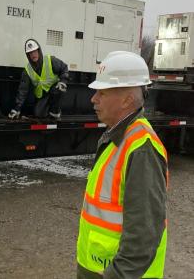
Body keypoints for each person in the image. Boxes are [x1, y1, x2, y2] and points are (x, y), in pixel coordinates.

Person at [77, 51, 168, 279]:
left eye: (102, 93)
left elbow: (144, 234)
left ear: (127, 99)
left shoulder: (141, 148)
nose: (93, 99)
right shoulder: (118, 136)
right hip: (98, 266)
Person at [8, 38, 69, 119]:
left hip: (55, 91)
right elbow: (23, 90)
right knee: (38, 114)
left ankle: (55, 112)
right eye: (30, 53)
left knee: (57, 90)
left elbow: (64, 68)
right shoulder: (27, 70)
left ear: (39, 51)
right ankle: (48, 111)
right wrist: (17, 108)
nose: (33, 54)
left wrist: (63, 81)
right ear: (28, 55)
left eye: (35, 51)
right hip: (43, 96)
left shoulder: (50, 60)